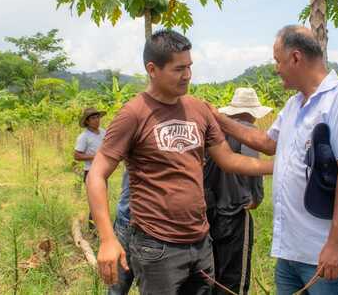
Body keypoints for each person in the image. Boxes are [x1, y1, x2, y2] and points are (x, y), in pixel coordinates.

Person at [86, 30, 274, 295]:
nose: (187, 75)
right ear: (152, 69)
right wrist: (107, 238)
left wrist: (280, 165)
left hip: (200, 242)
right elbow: (97, 174)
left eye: (189, 67)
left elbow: (229, 160)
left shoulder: (198, 109)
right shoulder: (134, 114)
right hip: (157, 245)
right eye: (178, 69)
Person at [212, 25, 338, 294]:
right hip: (291, 251)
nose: (276, 68)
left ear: (296, 58)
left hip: (324, 252)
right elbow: (267, 144)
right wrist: (218, 119)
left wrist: (337, 244)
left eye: (278, 60)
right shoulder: (294, 105)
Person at [204, 87, 271, 295]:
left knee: (213, 271)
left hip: (209, 210)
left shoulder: (214, 131)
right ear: (252, 112)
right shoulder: (248, 133)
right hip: (235, 211)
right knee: (235, 277)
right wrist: (257, 197)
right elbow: (253, 171)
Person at [74, 107, 106, 228]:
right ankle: (93, 230)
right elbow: (77, 155)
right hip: (91, 173)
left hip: (103, 171)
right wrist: (95, 156)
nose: (96, 120)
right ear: (87, 121)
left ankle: (101, 227)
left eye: (97, 117)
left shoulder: (103, 132)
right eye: (93, 118)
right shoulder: (84, 137)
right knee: (95, 202)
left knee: (102, 201)